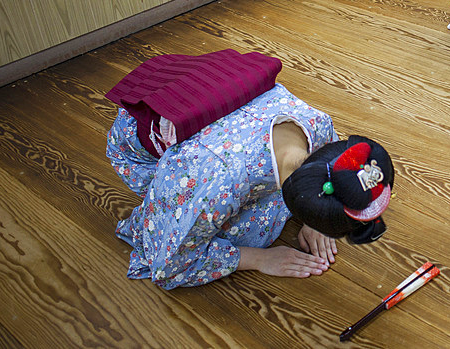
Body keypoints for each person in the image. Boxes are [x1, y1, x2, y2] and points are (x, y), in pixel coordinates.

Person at [107, 82, 395, 289]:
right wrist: (258, 259)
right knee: (248, 233)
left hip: (198, 95)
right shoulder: (214, 187)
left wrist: (314, 219)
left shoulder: (316, 126)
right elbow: (169, 266)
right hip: (148, 144)